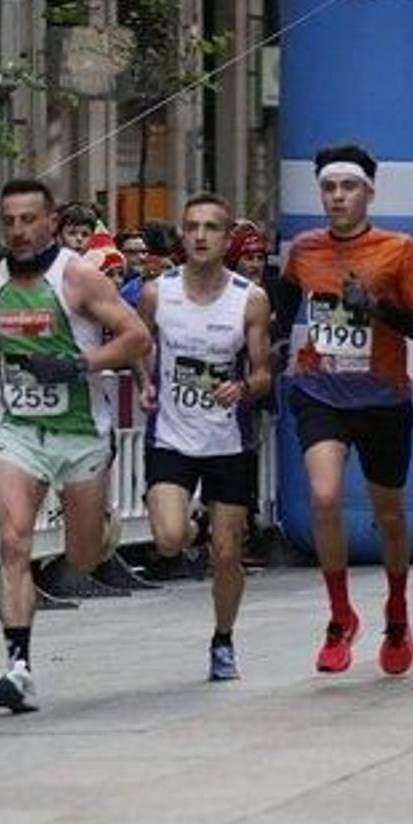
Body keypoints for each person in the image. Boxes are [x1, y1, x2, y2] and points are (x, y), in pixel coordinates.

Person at [0, 178, 150, 714]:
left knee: (82, 558)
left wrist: (77, 364)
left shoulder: (79, 278)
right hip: (18, 431)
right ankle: (18, 667)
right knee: (13, 542)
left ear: (51, 221)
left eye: (28, 220)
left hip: (80, 431)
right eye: (8, 221)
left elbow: (137, 338)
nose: (18, 231)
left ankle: (100, 530)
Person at [282, 143, 413, 675]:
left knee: (390, 517)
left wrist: (374, 307)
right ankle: (339, 616)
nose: (337, 197)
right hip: (319, 391)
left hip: (382, 397)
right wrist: (260, 360)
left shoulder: (397, 250)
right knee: (324, 497)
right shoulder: (303, 249)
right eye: (328, 188)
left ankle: (396, 613)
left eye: (348, 187)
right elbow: (280, 314)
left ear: (368, 193)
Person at [133, 194, 272, 681]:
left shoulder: (248, 298)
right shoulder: (157, 292)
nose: (199, 236)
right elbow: (137, 343)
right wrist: (144, 379)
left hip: (227, 442)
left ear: (228, 237)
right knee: (169, 540)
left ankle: (223, 639)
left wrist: (244, 387)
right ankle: (191, 523)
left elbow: (263, 374)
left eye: (211, 227)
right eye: (191, 226)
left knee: (228, 553)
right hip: (170, 436)